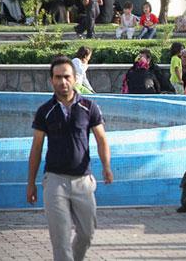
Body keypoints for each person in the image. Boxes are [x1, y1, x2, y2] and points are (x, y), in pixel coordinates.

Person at [27, 56, 113, 260]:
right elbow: (36, 148)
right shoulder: (45, 111)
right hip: (54, 181)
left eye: (66, 77)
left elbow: (101, 139)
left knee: (86, 233)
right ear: (51, 80)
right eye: (57, 77)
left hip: (83, 181)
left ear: (74, 78)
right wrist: (30, 183)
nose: (62, 82)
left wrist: (106, 167)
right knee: (61, 240)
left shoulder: (89, 107)